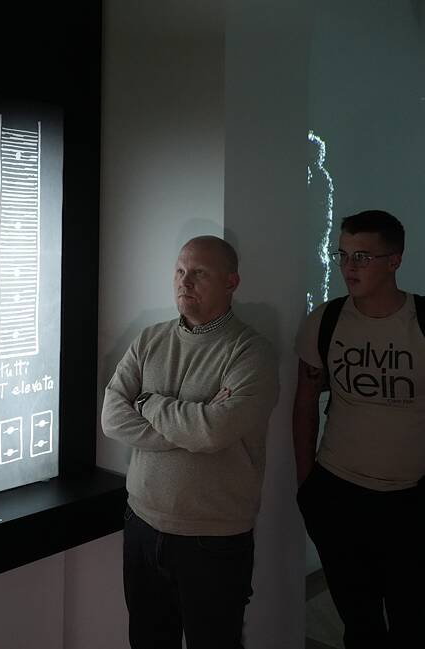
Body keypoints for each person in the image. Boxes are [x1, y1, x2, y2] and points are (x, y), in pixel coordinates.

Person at [101, 235, 279, 649]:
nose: (185, 281)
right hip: (142, 525)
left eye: (199, 273)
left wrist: (145, 401)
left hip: (212, 539)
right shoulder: (150, 340)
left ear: (231, 282)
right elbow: (112, 417)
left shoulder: (251, 353)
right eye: (180, 271)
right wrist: (192, 426)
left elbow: (215, 431)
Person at [293, 210, 424, 649]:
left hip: (410, 498)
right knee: (360, 622)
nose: (348, 267)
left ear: (395, 260)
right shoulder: (326, 320)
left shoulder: (420, 324)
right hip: (338, 494)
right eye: (343, 255)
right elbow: (306, 401)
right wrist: (306, 483)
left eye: (363, 257)